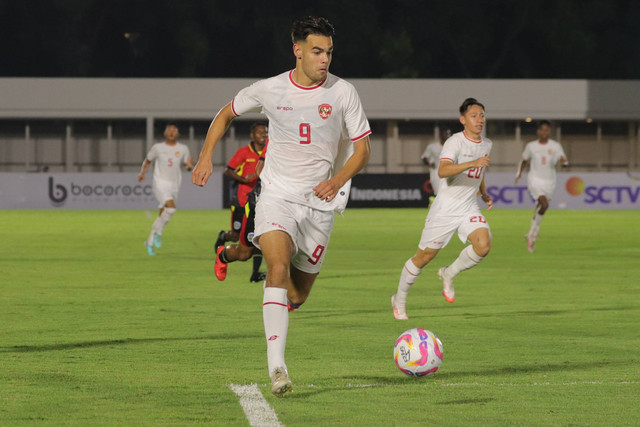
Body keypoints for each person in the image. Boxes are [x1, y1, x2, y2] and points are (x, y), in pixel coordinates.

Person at [192, 16, 371, 397]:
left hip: (321, 204)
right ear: (298, 50)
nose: (325, 60)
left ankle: (233, 251)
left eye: (329, 52)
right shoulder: (270, 89)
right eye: (317, 51)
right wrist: (205, 156)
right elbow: (225, 113)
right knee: (275, 266)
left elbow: (363, 149)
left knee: (297, 296)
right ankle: (278, 368)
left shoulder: (343, 92)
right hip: (276, 195)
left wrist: (336, 181)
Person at [391, 98, 493, 320]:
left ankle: (449, 273)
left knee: (483, 245)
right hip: (445, 208)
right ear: (463, 120)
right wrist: (471, 163)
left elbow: (480, 172)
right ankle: (399, 298)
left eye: (482, 115)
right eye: (474, 115)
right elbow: (443, 171)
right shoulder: (455, 143)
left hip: (468, 207)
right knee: (424, 257)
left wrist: (483, 193)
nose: (479, 119)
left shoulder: (487, 144)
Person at [214, 122, 268, 282]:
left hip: (271, 202)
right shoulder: (246, 152)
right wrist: (245, 178)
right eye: (259, 133)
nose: (263, 135)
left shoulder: (283, 144)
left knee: (267, 241)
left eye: (265, 132)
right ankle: (223, 255)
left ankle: (257, 275)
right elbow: (228, 170)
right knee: (243, 250)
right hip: (245, 201)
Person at [138, 123, 194, 255]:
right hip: (160, 182)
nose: (171, 132)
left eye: (174, 130)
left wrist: (191, 166)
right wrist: (142, 173)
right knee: (171, 208)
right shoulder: (158, 147)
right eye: (169, 130)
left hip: (174, 184)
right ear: (164, 133)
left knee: (163, 213)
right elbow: (148, 160)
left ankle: (150, 241)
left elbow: (188, 165)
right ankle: (159, 233)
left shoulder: (183, 148)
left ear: (178, 134)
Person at [515, 120, 568, 253]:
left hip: (550, 181)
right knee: (543, 204)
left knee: (541, 208)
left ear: (549, 132)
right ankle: (533, 235)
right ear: (538, 131)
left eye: (546, 130)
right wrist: (519, 174)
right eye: (542, 130)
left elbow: (563, 160)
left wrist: (564, 162)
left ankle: (532, 234)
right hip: (535, 180)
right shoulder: (531, 146)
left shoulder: (555, 146)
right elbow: (524, 160)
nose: (544, 132)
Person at [421, 127, 451, 198]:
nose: (447, 135)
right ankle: (435, 204)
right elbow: (424, 157)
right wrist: (429, 163)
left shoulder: (453, 147)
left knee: (449, 194)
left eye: (449, 134)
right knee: (438, 193)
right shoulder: (432, 147)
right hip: (436, 173)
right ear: (441, 135)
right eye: (445, 134)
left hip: (450, 173)